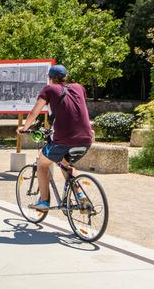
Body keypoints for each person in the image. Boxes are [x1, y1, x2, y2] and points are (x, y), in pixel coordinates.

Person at [18, 64, 93, 211]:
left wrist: (24, 128)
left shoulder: (49, 89)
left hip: (64, 139)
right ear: (66, 77)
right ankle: (81, 197)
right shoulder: (79, 87)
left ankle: (44, 202)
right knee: (66, 165)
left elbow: (34, 112)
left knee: (42, 163)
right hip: (86, 139)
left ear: (50, 78)